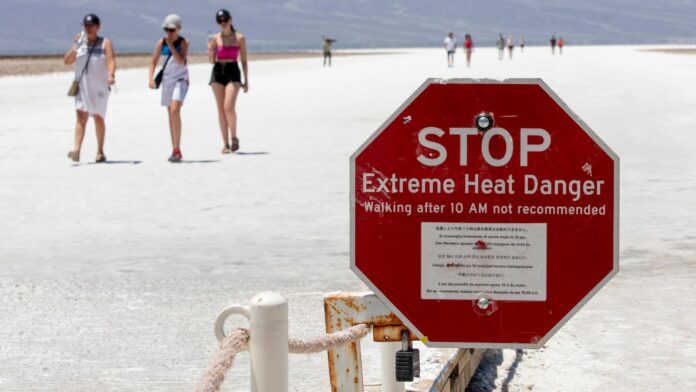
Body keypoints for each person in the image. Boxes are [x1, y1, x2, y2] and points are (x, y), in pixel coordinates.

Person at [63, 13, 115, 163]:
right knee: (81, 116)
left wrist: (111, 74)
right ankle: (76, 151)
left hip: (99, 87)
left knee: (98, 117)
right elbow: (67, 61)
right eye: (86, 26)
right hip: (82, 86)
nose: (88, 28)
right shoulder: (80, 43)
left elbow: (111, 60)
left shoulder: (105, 43)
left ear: (98, 27)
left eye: (91, 25)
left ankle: (100, 151)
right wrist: (76, 46)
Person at [148, 14, 189, 163]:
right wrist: (151, 78)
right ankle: (175, 149)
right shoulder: (161, 43)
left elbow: (180, 60)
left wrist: (171, 45)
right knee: (170, 115)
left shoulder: (184, 42)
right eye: (167, 29)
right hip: (167, 82)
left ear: (178, 29)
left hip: (180, 80)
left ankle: (177, 149)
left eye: (172, 29)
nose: (169, 33)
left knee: (175, 110)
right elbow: (153, 62)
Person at [208, 9, 248, 154]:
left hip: (233, 71)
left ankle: (234, 137)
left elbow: (243, 60)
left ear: (231, 20)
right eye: (220, 21)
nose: (223, 23)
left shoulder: (239, 37)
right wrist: (210, 51)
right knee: (220, 109)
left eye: (225, 20)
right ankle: (225, 144)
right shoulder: (215, 38)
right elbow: (212, 61)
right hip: (218, 72)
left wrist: (246, 79)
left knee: (228, 107)